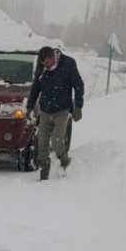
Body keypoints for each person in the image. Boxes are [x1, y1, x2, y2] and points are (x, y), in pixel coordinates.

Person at [26, 45, 85, 181]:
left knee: (57, 142)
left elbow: (78, 85)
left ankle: (64, 160)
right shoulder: (41, 67)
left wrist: (78, 107)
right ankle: (44, 175)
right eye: (42, 64)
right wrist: (29, 107)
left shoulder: (68, 63)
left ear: (53, 57)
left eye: (46, 63)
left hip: (62, 110)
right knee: (42, 144)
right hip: (45, 110)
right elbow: (35, 87)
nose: (45, 66)